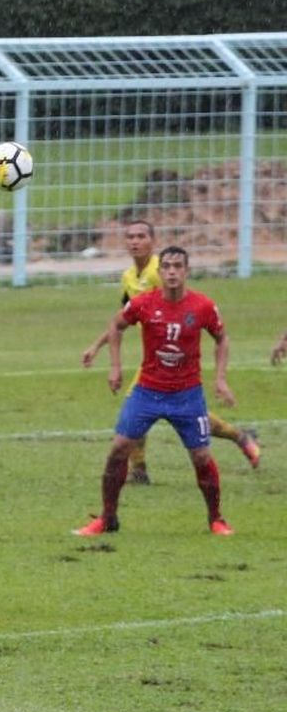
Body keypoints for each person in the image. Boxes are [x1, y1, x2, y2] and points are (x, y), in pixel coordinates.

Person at [74, 246, 236, 537]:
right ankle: (108, 518)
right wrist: (115, 367)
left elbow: (222, 338)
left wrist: (221, 379)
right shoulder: (143, 303)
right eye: (167, 267)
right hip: (147, 391)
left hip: (187, 394)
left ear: (187, 271)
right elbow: (116, 325)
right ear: (159, 272)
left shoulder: (202, 306)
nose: (172, 272)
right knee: (119, 448)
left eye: (178, 266)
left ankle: (216, 519)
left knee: (201, 456)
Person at [82, 218, 259, 481]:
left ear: (153, 241)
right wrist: (97, 346)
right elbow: (123, 318)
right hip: (154, 358)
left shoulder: (161, 271)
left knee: (158, 411)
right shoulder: (129, 276)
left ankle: (140, 470)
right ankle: (239, 437)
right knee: (166, 413)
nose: (135, 242)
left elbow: (187, 307)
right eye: (130, 237)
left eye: (141, 237)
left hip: (177, 357)